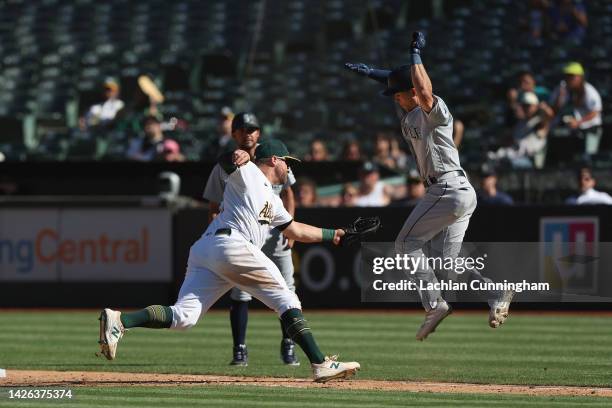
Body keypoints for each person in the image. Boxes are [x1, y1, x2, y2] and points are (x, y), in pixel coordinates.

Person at [98, 140, 360, 383]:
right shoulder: (249, 173)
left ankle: (120, 322)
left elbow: (295, 231)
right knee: (287, 299)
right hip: (232, 244)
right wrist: (235, 155)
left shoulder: (273, 198)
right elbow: (225, 163)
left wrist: (334, 235)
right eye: (287, 162)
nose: (289, 167)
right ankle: (319, 363)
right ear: (273, 160)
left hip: (207, 249)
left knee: (184, 317)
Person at [345, 31, 514, 340]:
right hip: (458, 191)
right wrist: (373, 73)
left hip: (446, 188)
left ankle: (435, 305)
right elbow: (402, 84)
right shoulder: (410, 111)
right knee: (447, 263)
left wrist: (415, 54)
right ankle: (496, 292)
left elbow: (421, 89)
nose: (393, 98)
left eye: (397, 93)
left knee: (404, 245)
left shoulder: (434, 111)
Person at [202, 112, 300, 367]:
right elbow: (214, 204)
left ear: (259, 132)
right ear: (233, 134)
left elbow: (289, 193)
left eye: (253, 129)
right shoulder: (226, 164)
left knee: (287, 289)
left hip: (275, 231)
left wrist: (289, 227)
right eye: (243, 129)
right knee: (241, 292)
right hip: (243, 233)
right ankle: (240, 349)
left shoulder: (273, 159)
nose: (248, 133)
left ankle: (289, 344)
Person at [549, 62, 603, 156]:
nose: (569, 79)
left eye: (572, 76)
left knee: (587, 157)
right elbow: (553, 109)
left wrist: (579, 122)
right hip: (571, 131)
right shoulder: (562, 89)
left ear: (580, 77)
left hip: (590, 128)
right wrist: (560, 97)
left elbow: (596, 112)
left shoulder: (589, 90)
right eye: (567, 76)